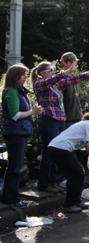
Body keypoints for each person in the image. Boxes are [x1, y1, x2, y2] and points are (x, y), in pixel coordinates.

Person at [32, 59, 89, 193]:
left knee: (57, 152)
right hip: (49, 120)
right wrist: (63, 72)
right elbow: (50, 81)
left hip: (60, 120)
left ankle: (53, 182)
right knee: (49, 152)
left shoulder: (56, 85)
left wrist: (87, 74)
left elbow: (70, 81)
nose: (53, 73)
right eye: (50, 70)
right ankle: (44, 183)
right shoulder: (39, 84)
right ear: (42, 73)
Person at [47, 108, 89, 213]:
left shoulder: (88, 124)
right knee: (76, 175)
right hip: (60, 148)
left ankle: (76, 201)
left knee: (77, 174)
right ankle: (69, 204)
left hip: (58, 148)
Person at [1, 64, 44, 208]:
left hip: (20, 131)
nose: (26, 77)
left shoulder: (18, 92)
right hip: (15, 132)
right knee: (14, 165)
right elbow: (15, 115)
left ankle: (12, 195)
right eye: (23, 75)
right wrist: (33, 112)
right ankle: (11, 198)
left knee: (16, 164)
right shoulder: (12, 92)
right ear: (15, 76)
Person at [59, 52, 83, 128]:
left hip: (77, 118)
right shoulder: (59, 79)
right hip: (67, 119)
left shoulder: (75, 79)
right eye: (71, 62)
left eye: (75, 62)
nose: (74, 64)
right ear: (63, 63)